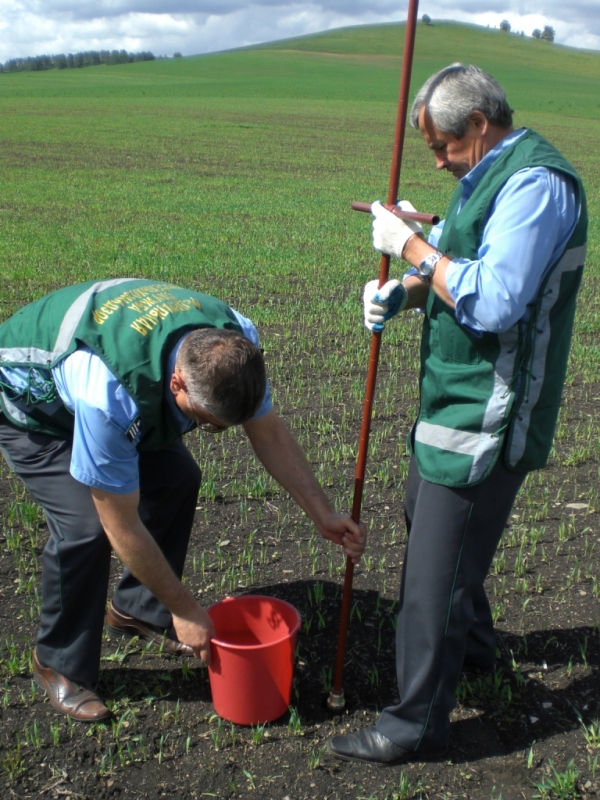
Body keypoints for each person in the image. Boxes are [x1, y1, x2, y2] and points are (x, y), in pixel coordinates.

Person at [327, 64, 587, 765]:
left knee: (430, 580)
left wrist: (409, 248)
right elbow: (462, 257)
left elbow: (499, 298)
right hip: (456, 405)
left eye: (443, 146)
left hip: (491, 416)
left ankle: (414, 725)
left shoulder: (536, 186)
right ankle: (475, 652)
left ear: (479, 124)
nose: (438, 162)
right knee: (425, 519)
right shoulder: (490, 180)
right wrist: (405, 293)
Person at [0, 278, 365, 722]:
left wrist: (322, 513)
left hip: (126, 380)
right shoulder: (108, 393)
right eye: (209, 423)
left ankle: (136, 611)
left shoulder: (237, 344)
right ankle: (58, 662)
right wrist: (187, 609)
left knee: (177, 477)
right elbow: (122, 525)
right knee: (86, 528)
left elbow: (267, 431)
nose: (216, 433)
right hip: (32, 408)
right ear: (177, 383)